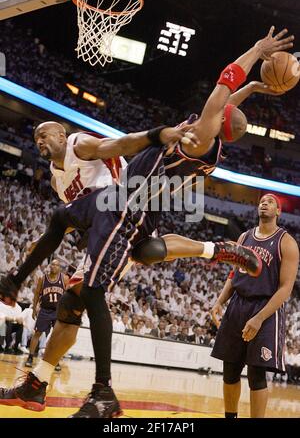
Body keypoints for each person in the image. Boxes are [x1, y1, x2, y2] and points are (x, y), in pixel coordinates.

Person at [0, 27, 293, 417]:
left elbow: (223, 87)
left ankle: (96, 392)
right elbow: (228, 105)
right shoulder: (212, 141)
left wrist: (256, 50)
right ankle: (38, 381)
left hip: (128, 205)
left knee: (88, 292)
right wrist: (254, 88)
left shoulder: (201, 135)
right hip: (134, 201)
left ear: (217, 120)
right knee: (92, 282)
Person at [210, 193, 299, 418]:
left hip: (266, 308)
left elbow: (285, 288)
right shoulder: (244, 237)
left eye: (270, 202)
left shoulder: (286, 242)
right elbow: (233, 274)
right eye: (261, 201)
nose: (264, 204)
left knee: (256, 374)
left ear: (278, 211)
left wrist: (259, 317)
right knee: (229, 370)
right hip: (237, 305)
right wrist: (220, 300)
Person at [24, 259, 68, 371]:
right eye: (52, 264)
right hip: (44, 310)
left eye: (56, 265)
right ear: (49, 266)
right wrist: (34, 309)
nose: (54, 266)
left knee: (57, 336)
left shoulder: (64, 279)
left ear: (59, 268)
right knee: (37, 333)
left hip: (57, 311)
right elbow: (37, 295)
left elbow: (68, 295)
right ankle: (30, 357)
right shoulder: (42, 279)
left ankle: (55, 360)